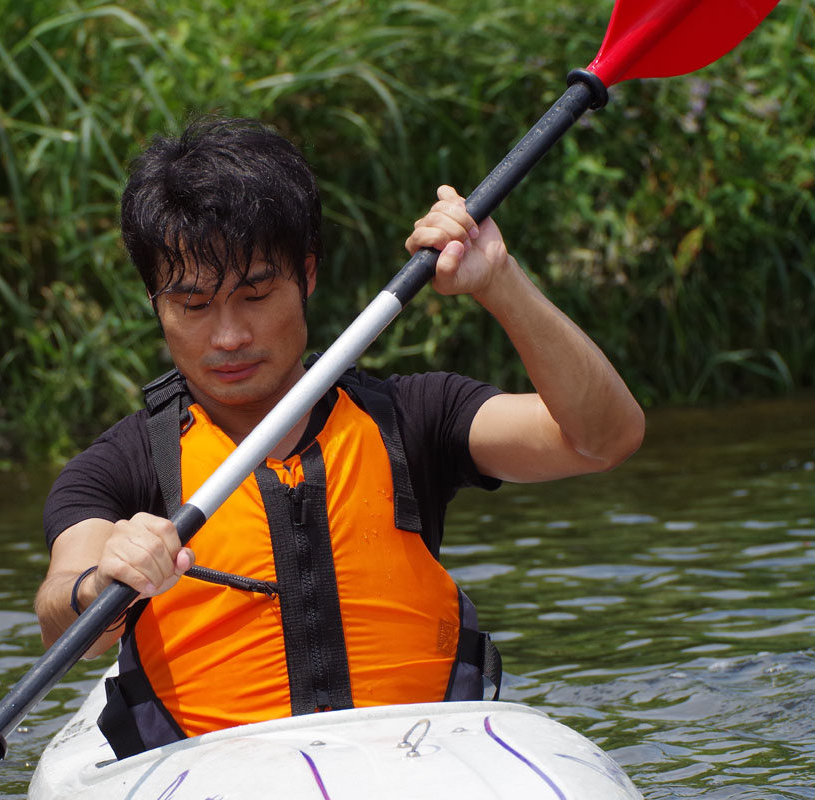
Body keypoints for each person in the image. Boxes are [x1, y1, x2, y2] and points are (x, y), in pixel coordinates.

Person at [34, 116, 644, 759]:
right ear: (155, 302)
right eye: (193, 306)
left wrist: (501, 283)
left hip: (421, 759)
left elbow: (603, 438)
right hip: (217, 769)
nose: (229, 336)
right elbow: (59, 610)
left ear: (307, 275)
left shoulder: (413, 415)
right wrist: (105, 582)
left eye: (256, 293)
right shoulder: (121, 464)